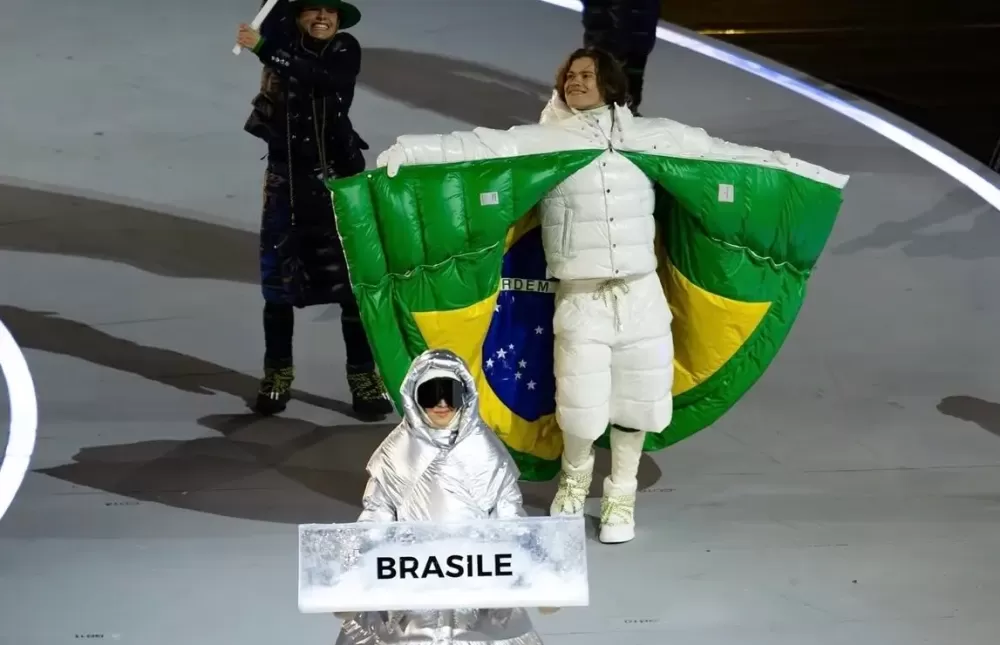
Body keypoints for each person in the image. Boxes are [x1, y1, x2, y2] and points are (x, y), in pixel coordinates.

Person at [375, 47, 817, 544]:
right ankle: (574, 480)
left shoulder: (651, 139)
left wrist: (790, 170)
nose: (575, 83)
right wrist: (410, 151)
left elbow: (722, 156)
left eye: (586, 75)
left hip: (640, 294)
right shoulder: (547, 141)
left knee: (638, 403)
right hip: (580, 298)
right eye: (569, 76)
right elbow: (477, 148)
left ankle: (620, 495)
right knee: (580, 405)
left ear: (610, 83)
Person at [334, 348, 555, 645]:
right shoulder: (396, 454)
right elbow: (374, 521)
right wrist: (352, 579)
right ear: (414, 397)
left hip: (478, 588)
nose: (441, 404)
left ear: (466, 396)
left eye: (451, 393)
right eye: (430, 393)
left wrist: (540, 577)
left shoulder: (488, 453)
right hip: (410, 588)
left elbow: (512, 521)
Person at [236, 0, 393, 417]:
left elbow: (323, 81)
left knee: (352, 287)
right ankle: (277, 374)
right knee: (277, 285)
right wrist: (268, 41)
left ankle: (363, 379)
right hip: (286, 183)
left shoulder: (345, 50)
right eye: (313, 10)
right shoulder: (285, 40)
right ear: (299, 17)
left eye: (331, 11)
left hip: (339, 183)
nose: (322, 17)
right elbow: (275, 16)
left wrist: (264, 49)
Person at [581, 0, 660, 114]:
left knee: (632, 68)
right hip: (608, 34)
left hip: (636, 32)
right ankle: (602, 108)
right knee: (605, 69)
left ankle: (625, 108)